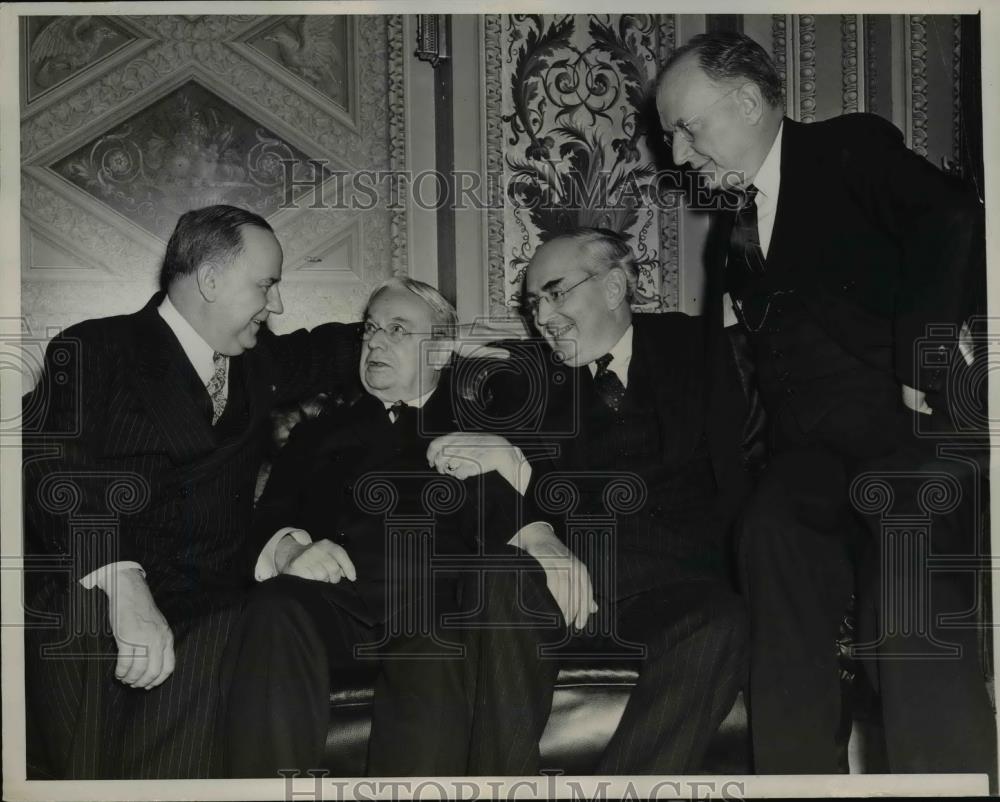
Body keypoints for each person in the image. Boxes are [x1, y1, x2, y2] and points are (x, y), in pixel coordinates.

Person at [655, 31, 994, 776]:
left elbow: (953, 218)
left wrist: (924, 357)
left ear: (745, 102)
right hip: (812, 458)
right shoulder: (732, 233)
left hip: (905, 430)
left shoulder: (847, 150)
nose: (679, 156)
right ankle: (798, 782)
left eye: (687, 128)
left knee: (905, 614)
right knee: (768, 532)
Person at [21, 205, 371, 779]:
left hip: (212, 610)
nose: (276, 304)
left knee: (239, 633)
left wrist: (432, 338)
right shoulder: (95, 348)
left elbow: (339, 346)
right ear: (209, 279)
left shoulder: (257, 364)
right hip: (98, 596)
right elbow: (56, 470)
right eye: (267, 284)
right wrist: (123, 584)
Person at [434, 229, 754, 775]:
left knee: (722, 620)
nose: (542, 315)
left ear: (612, 288)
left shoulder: (699, 350)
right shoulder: (520, 378)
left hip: (674, 586)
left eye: (556, 293)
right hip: (566, 579)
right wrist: (535, 533)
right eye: (533, 303)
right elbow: (458, 473)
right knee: (499, 576)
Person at [219, 277, 543, 777]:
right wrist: (288, 550)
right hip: (337, 603)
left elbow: (520, 525)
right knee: (273, 606)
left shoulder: (479, 429)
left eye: (397, 329)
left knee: (434, 644)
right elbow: (265, 517)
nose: (374, 341)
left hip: (435, 608)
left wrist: (507, 462)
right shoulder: (317, 434)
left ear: (438, 353)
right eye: (370, 328)